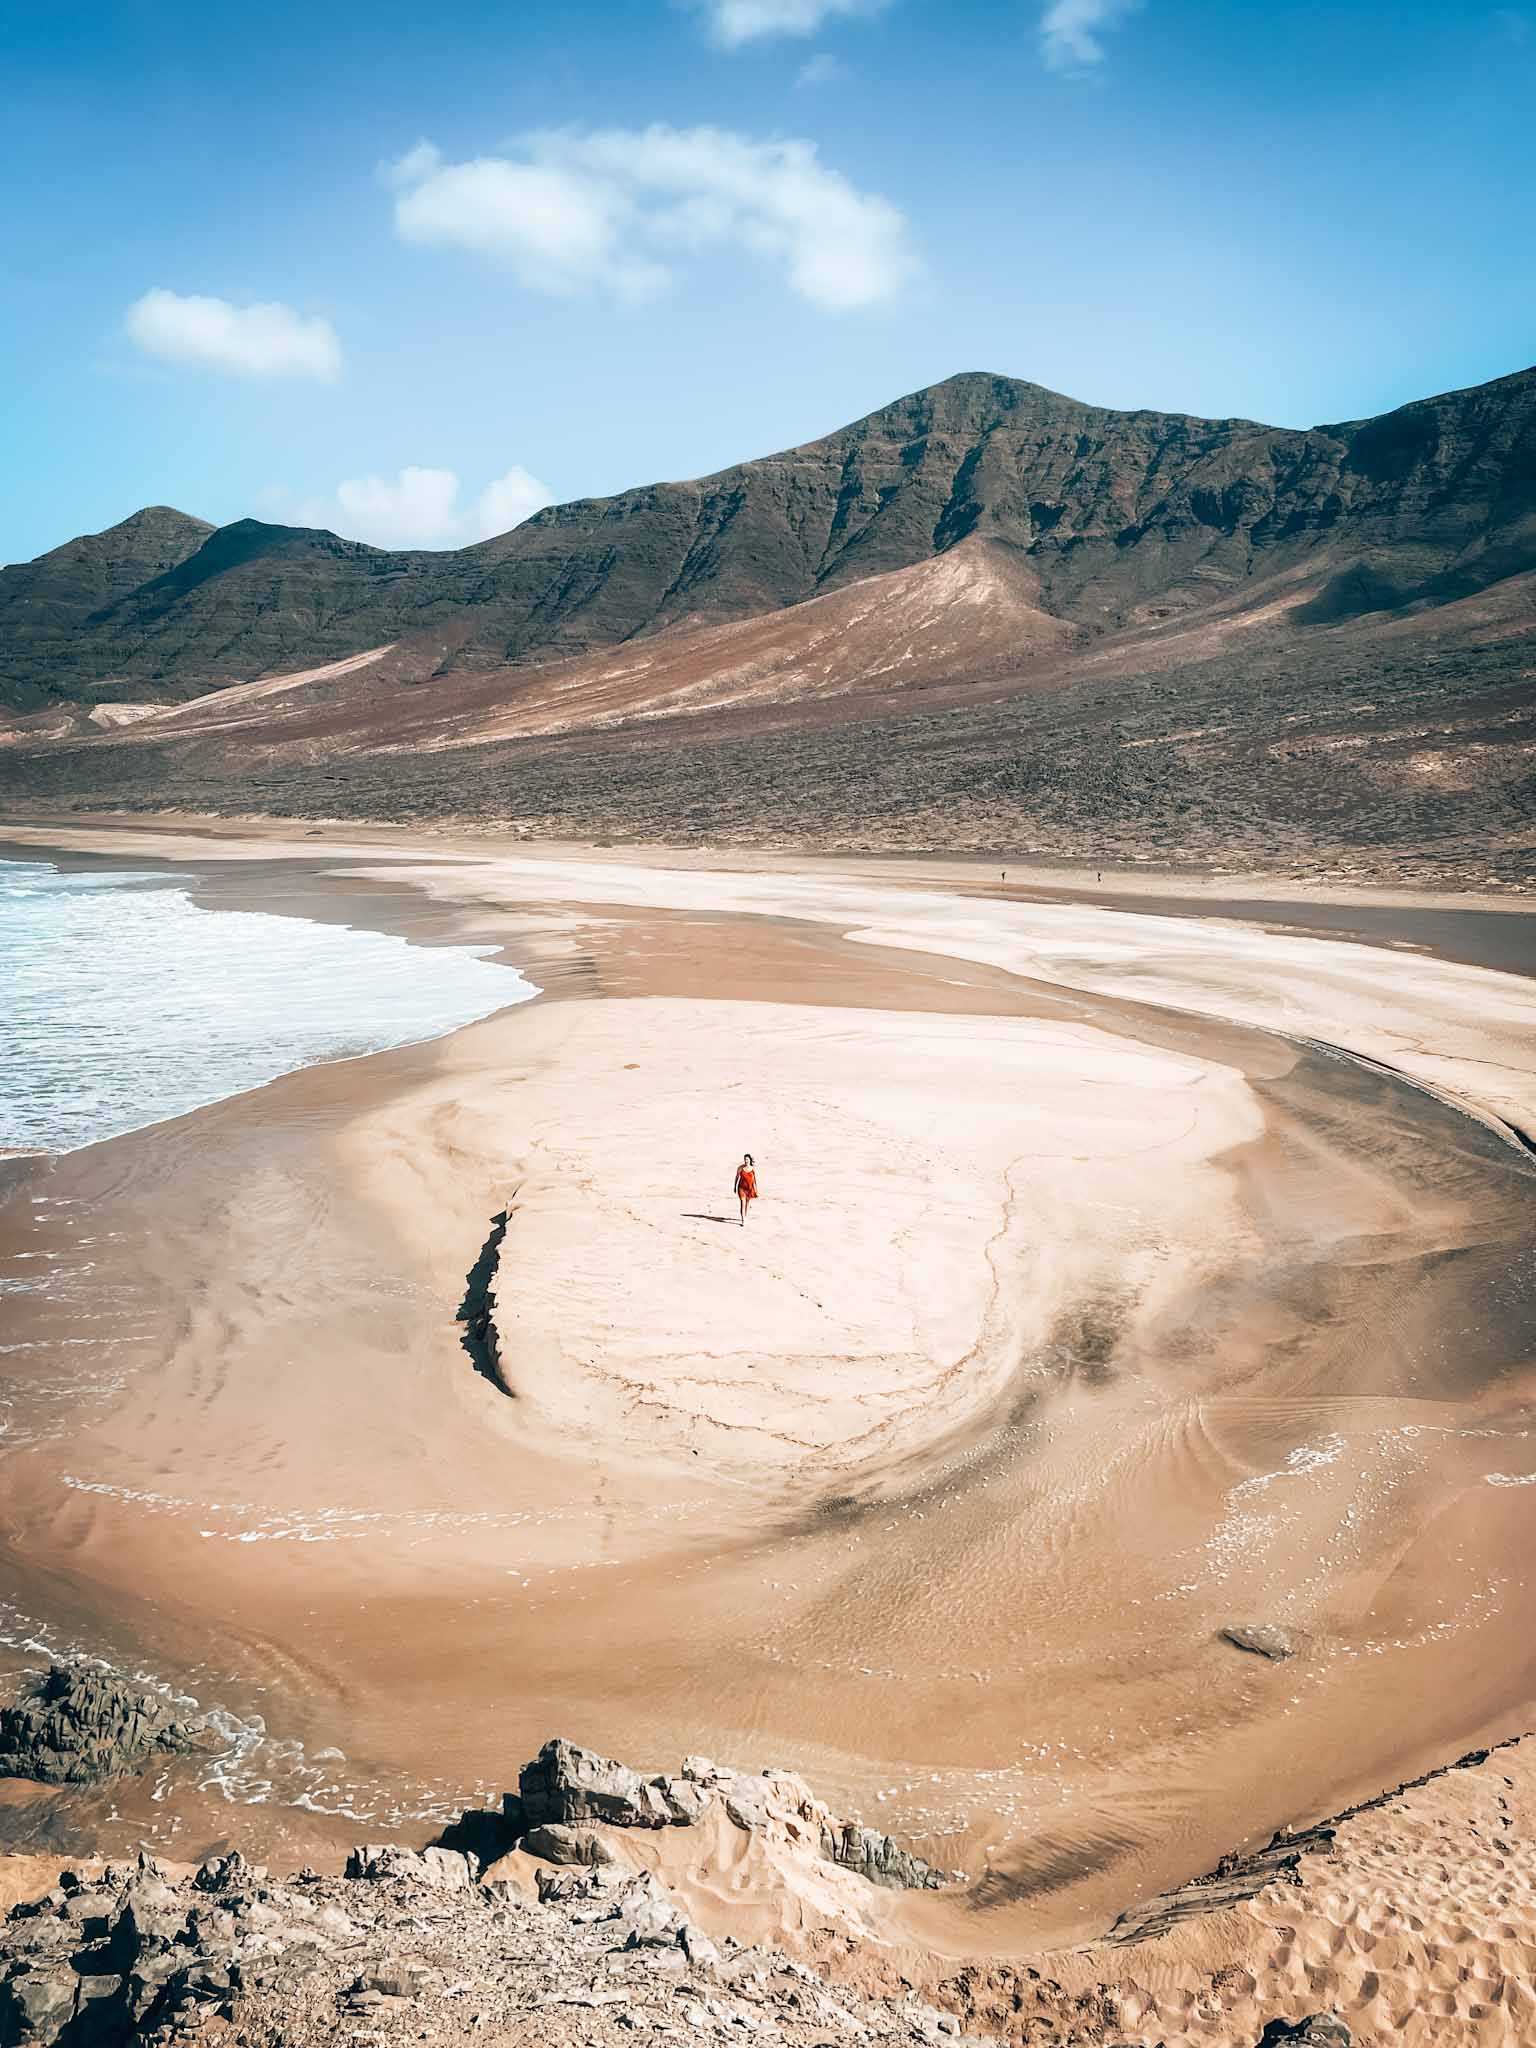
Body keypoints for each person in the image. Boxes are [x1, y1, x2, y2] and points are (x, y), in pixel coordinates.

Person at [734, 1153, 758, 1227]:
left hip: (749, 1188)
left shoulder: (753, 1168)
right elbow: (737, 1177)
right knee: (742, 1203)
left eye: (747, 1159)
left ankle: (745, 1216)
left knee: (747, 1204)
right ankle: (743, 1220)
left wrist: (756, 1189)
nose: (746, 1161)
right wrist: (735, 1186)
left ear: (750, 1160)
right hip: (741, 1188)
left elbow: (754, 1180)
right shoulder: (740, 1168)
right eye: (745, 1159)